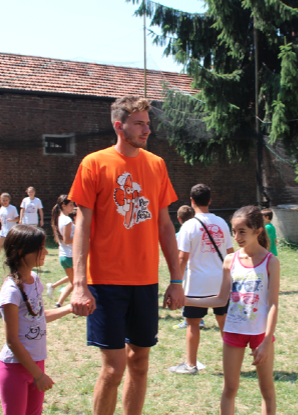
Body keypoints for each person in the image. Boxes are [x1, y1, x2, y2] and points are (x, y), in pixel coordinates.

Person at [69, 95, 184, 415]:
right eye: (140, 123)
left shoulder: (156, 165)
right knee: (113, 368)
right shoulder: (94, 163)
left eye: (148, 123)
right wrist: (80, 283)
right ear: (119, 126)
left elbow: (165, 226)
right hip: (105, 281)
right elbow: (82, 225)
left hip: (145, 281)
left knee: (141, 363)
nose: (147, 129)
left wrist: (176, 280)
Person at [185, 206, 280, 415]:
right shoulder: (230, 260)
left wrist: (266, 341)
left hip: (260, 334)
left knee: (266, 389)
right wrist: (185, 299)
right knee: (229, 388)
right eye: (234, 231)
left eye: (242, 231)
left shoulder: (270, 262)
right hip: (234, 331)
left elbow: (273, 304)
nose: (236, 237)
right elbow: (221, 298)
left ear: (258, 231)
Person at [0, 224, 73, 415]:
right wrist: (38, 376)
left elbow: (38, 317)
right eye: (40, 248)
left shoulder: (35, 280)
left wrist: (71, 308)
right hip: (15, 368)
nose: (46, 252)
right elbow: (12, 340)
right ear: (22, 252)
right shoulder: (11, 292)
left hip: (37, 363)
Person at [170, 184, 234, 375]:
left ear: (191, 201)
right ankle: (232, 363)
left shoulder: (189, 226)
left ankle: (191, 364)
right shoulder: (222, 223)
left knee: (192, 323)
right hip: (221, 282)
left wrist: (177, 283)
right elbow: (231, 253)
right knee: (224, 323)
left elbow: (182, 258)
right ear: (210, 200)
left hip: (197, 283)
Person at [46, 195, 75, 308]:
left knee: (74, 282)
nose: (73, 206)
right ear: (64, 205)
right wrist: (82, 236)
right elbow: (67, 240)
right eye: (71, 204)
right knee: (78, 282)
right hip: (71, 256)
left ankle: (59, 304)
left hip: (63, 257)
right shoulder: (67, 220)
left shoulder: (59, 218)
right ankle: (74, 306)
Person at [0, 193, 19, 267]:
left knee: (11, 247)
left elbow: (17, 219)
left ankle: (13, 262)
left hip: (11, 230)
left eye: (6, 200)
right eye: (3, 200)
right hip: (3, 230)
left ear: (9, 200)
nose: (5, 201)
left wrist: (11, 220)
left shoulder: (13, 208)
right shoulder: (1, 208)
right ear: (1, 200)